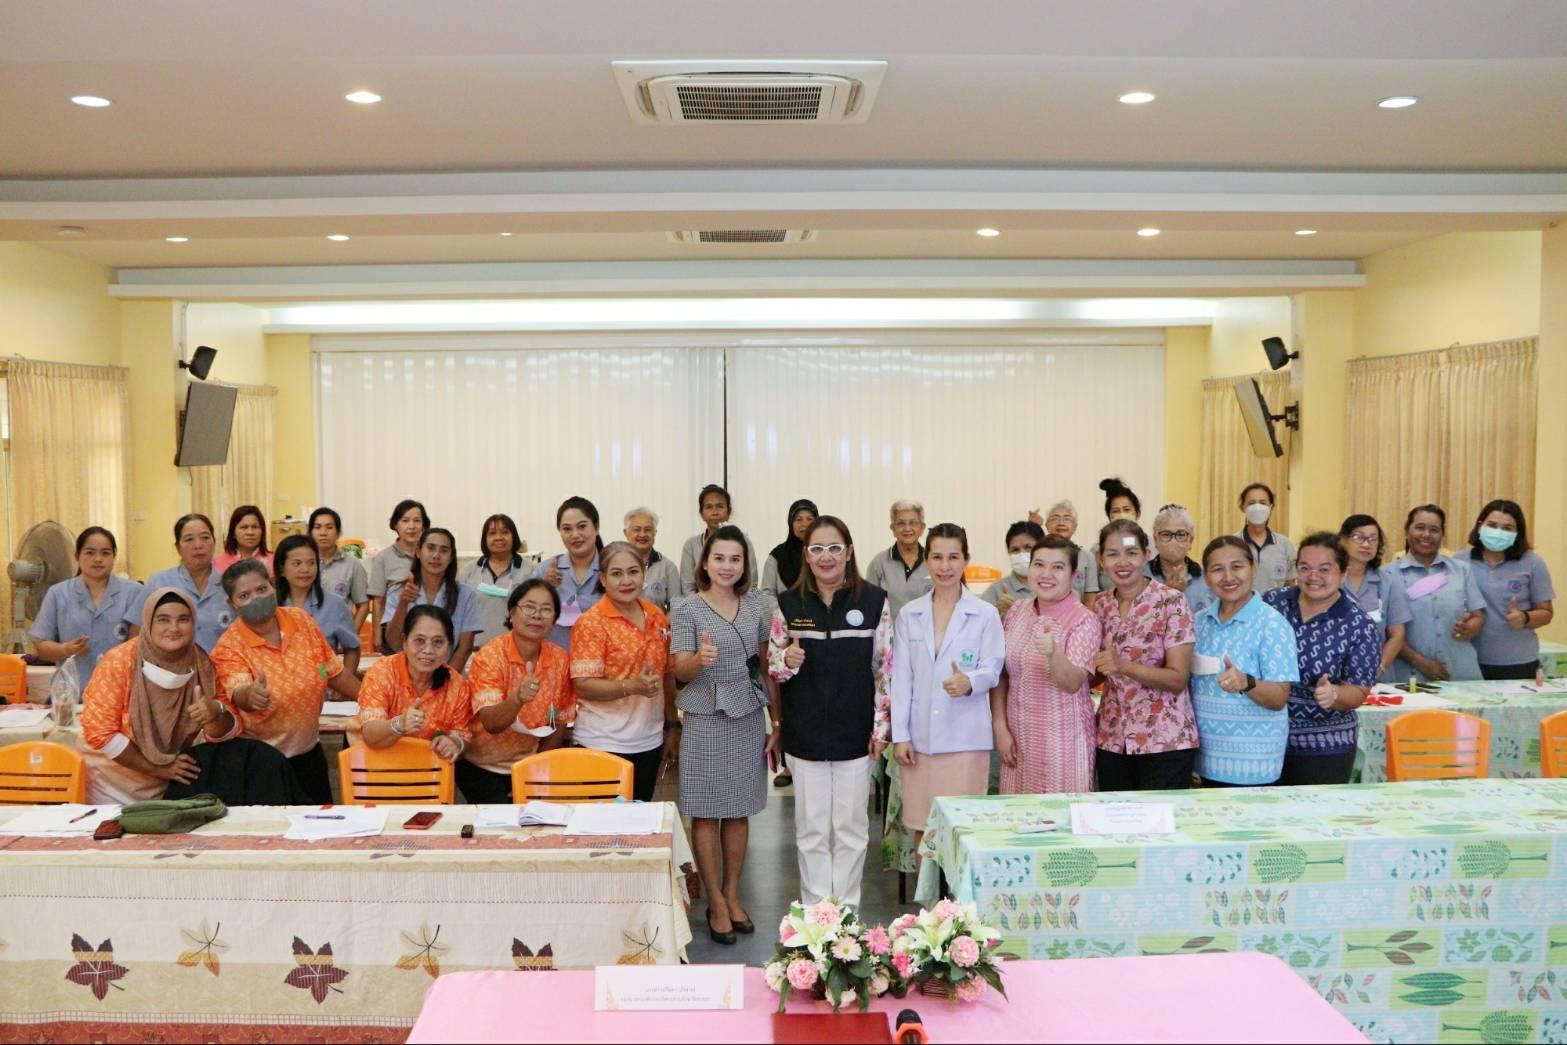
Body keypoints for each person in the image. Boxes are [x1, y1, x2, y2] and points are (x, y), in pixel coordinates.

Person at [767, 515, 891, 907]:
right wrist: (786, 659)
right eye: (817, 548)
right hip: (805, 736)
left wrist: (880, 729)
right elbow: (773, 667)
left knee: (851, 829)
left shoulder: (874, 602)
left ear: (849, 552)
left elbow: (885, 669)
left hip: (856, 735)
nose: (826, 556)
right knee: (812, 831)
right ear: (806, 555)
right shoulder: (788, 604)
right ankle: (818, 916)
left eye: (835, 548)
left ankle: (847, 914)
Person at [670, 526, 772, 945]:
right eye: (719, 558)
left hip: (747, 714)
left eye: (735, 559)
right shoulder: (686, 608)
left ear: (745, 564)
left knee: (738, 810)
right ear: (705, 563)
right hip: (705, 716)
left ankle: (732, 893)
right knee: (706, 811)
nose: (727, 566)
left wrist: (777, 723)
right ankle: (714, 899)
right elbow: (678, 670)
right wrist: (699, 659)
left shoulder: (757, 606)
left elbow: (766, 665)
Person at [890, 523, 1003, 849]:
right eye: (937, 557)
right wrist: (901, 735)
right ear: (926, 559)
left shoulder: (984, 614)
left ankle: (959, 888)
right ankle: (926, 887)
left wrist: (970, 681)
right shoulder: (910, 614)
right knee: (923, 828)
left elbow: (993, 669)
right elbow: (902, 680)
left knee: (963, 831)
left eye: (953, 557)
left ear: (966, 559)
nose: (945, 566)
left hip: (965, 739)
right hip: (920, 740)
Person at [211, 560, 361, 803]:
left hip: (309, 753)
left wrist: (373, 699)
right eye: (244, 595)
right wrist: (251, 695)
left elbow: (333, 672)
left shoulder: (301, 621)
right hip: (262, 764)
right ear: (232, 603)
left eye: (261, 589)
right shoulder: (228, 647)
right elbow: (239, 693)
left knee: (320, 821)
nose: (256, 598)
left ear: (273, 586)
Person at [80, 588, 242, 803]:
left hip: (168, 784)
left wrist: (216, 712)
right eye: (163, 620)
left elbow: (226, 731)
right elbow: (100, 732)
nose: (173, 628)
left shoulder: (201, 664)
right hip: (108, 782)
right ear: (148, 623)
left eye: (183, 619)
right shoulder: (119, 661)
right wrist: (157, 768)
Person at [1263, 533, 1380, 786]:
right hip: (1265, 739)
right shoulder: (1273, 603)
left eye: (1324, 569)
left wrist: (1334, 694)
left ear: (1344, 573)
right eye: (1305, 568)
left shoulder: (1359, 624)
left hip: (1325, 747)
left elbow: (1359, 690)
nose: (1313, 576)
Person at [1090, 520, 1199, 791]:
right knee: (1115, 814)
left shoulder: (1171, 601)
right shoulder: (1100, 605)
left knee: (1163, 816)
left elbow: (1178, 678)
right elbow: (1096, 673)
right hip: (1113, 738)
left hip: (1165, 740)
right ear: (1101, 559)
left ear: (1146, 555)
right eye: (1112, 554)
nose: (1122, 562)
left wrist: (1123, 666)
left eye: (1131, 553)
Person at [991, 535, 1102, 794]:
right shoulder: (1017, 611)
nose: (1046, 574)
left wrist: (1053, 654)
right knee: (1017, 814)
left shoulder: (1084, 620)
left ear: (1074, 575)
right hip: (1017, 740)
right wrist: (1000, 728)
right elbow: (1002, 674)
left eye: (1058, 567)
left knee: (1059, 815)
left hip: (1063, 744)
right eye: (1039, 564)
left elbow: (1072, 683)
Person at [569, 541, 676, 803]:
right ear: (603, 579)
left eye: (633, 572)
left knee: (638, 821)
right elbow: (583, 685)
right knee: (604, 824)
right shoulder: (591, 623)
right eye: (616, 574)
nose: (626, 581)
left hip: (649, 741)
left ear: (644, 573)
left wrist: (672, 726)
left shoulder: (656, 617)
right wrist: (632, 686)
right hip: (602, 742)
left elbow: (667, 675)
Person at [1190, 537, 1299, 786]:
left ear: (1253, 569)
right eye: (1217, 569)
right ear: (1206, 576)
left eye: (1237, 566)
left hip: (1253, 765)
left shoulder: (1272, 624)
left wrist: (1246, 682)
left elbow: (1279, 697)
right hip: (1204, 760)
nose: (1228, 577)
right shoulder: (1198, 623)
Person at [460, 579, 576, 803]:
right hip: (482, 765)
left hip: (530, 762)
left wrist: (534, 771)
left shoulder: (561, 660)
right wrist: (517, 699)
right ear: (512, 614)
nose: (537, 615)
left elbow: (558, 720)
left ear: (554, 620)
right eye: (529, 607)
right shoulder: (490, 656)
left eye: (546, 609)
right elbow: (491, 723)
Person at [30, 526, 143, 689]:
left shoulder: (134, 592)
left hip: (119, 691)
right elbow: (40, 645)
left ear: (114, 556)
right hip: (72, 691)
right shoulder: (58, 593)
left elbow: (141, 646)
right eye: (90, 552)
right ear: (77, 556)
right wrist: (66, 649)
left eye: (106, 553)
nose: (98, 559)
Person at [1386, 505, 1486, 684]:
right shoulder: (1388, 575)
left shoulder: (1461, 571)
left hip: (1461, 675)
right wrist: (1420, 662)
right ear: (1407, 530)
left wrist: (1471, 627)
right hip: (1409, 678)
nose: (1426, 535)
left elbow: (1478, 616)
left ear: (1442, 535)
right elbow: (1387, 631)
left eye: (1434, 530)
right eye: (1420, 527)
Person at [358, 605, 472, 762]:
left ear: (448, 647)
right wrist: (400, 724)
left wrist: (455, 743)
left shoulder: (457, 684)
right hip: (378, 767)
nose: (428, 650)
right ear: (404, 642)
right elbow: (370, 734)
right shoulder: (381, 673)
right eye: (419, 641)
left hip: (430, 769)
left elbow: (464, 735)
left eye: (438, 642)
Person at [1466, 499, 1556, 680]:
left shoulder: (1532, 562)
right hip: (1469, 660)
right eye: (1492, 525)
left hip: (1519, 662)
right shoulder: (1460, 561)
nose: (1498, 532)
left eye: (1507, 528)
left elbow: (1546, 613)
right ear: (1480, 526)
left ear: (1517, 533)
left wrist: (1525, 617)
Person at [124, 514, 235, 652]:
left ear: (214, 542)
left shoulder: (230, 584)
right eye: (189, 539)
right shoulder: (159, 582)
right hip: (168, 665)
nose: (198, 545)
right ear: (178, 548)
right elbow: (137, 633)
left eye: (205, 537)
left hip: (221, 664)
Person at [382, 527, 482, 670]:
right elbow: (393, 642)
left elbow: (464, 648)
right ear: (418, 552)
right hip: (407, 674)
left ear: (451, 557)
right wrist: (403, 604)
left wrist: (447, 679)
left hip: (449, 674)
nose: (436, 555)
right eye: (430, 548)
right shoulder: (399, 591)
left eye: (444, 550)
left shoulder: (466, 595)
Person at [274, 534, 362, 677]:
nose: (305, 569)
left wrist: (344, 680)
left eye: (311, 563)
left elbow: (352, 648)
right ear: (282, 569)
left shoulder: (335, 605)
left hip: (323, 684)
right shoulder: (270, 606)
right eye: (297, 563)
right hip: (279, 685)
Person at [1338, 514, 1412, 679]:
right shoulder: (1329, 578)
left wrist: (1379, 668)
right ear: (1342, 540)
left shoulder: (1388, 582)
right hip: (1333, 674)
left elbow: (1397, 635)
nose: (1366, 544)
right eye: (1358, 537)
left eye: (1373, 539)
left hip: (1378, 677)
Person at [533, 496, 604, 649]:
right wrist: (544, 589)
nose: (575, 535)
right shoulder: (545, 570)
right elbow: (527, 616)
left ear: (597, 527)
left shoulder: (612, 569)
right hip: (555, 658)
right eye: (567, 529)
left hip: (601, 658)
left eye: (582, 526)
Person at [460, 513, 531, 648]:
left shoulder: (529, 571)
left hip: (514, 650)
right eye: (492, 533)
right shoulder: (469, 570)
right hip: (475, 650)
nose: (498, 537)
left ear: (514, 537)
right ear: (485, 539)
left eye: (505, 532)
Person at [368, 498, 430, 651]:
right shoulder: (383, 558)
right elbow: (378, 601)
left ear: (424, 525)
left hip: (427, 629)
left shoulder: (431, 556)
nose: (411, 526)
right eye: (405, 520)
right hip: (394, 629)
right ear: (395, 524)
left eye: (417, 521)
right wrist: (377, 637)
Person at [679, 484, 758, 595]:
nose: (715, 512)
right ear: (701, 513)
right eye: (709, 507)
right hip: (699, 604)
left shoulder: (743, 541)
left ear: (729, 511)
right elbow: (687, 588)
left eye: (720, 506)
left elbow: (751, 584)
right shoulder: (691, 545)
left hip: (738, 603)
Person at [865, 499, 934, 620]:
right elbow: (868, 603)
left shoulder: (933, 561)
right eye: (901, 523)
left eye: (913, 523)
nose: (907, 528)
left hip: (928, 629)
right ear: (892, 528)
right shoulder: (879, 563)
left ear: (922, 528)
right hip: (890, 630)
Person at [309, 506, 370, 631]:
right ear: (310, 532)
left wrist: (351, 635)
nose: (323, 533)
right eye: (318, 527)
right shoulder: (303, 564)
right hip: (308, 634)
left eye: (329, 527)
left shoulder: (352, 565)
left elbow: (363, 605)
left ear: (338, 532)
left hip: (339, 634)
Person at [1148, 503, 1215, 616]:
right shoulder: (1142, 576)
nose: (1173, 541)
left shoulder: (1207, 576)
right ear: (1155, 540)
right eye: (1166, 534)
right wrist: (1167, 595)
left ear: (1190, 541)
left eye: (1181, 534)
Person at [1237, 483, 1295, 593]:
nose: (1257, 507)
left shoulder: (1285, 545)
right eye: (1251, 503)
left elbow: (1291, 585)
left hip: (1275, 604)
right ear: (1242, 507)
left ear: (1271, 507)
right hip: (1241, 604)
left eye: (1263, 503)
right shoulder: (1232, 543)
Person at [980, 520, 1045, 616]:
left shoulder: (1055, 586)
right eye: (1015, 549)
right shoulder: (996, 590)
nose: (1021, 554)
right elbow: (978, 623)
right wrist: (996, 612)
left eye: (1028, 547)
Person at [624, 507, 682, 614]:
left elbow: (677, 608)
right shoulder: (615, 564)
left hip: (657, 623)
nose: (642, 534)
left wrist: (660, 623)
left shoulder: (668, 567)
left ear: (655, 533)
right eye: (637, 529)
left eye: (648, 530)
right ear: (626, 533)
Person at [760, 499, 818, 596]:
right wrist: (778, 607)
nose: (805, 524)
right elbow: (767, 593)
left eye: (810, 519)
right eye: (798, 519)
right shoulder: (777, 556)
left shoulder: (825, 553)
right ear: (791, 524)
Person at [212, 505, 273, 576]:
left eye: (255, 527)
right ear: (233, 532)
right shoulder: (217, 563)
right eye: (244, 527)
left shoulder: (274, 561)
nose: (250, 532)